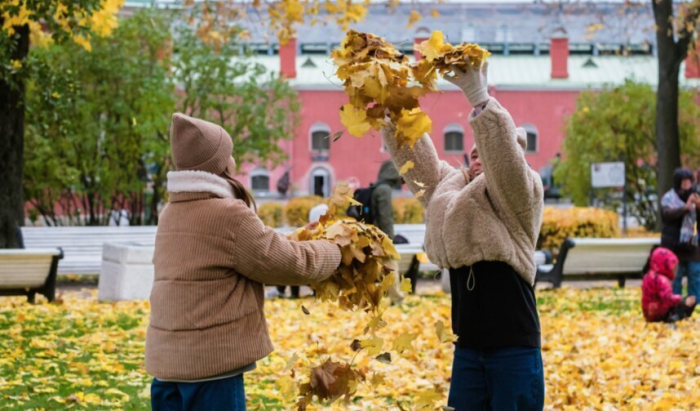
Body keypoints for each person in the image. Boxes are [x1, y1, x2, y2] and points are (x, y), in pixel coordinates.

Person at [146, 113, 342, 411]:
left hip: (168, 364)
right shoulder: (227, 214)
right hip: (210, 367)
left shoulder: (171, 212)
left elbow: (253, 250)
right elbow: (291, 264)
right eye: (229, 153)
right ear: (220, 163)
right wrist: (335, 249)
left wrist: (301, 237)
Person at [382, 59, 545, 409]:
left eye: (484, 153)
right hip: (468, 349)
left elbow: (504, 159)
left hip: (513, 347)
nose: (477, 157)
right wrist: (395, 111)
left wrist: (478, 96)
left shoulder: (522, 193)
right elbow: (421, 165)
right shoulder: (450, 191)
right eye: (472, 153)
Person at [275, 203, 329, 299]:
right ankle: (313, 293)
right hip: (316, 272)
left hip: (306, 272)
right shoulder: (328, 234)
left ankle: (287, 293)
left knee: (293, 264)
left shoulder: (306, 234)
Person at [661, 168, 700, 298]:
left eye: (689, 181)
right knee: (675, 278)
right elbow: (667, 216)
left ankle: (695, 305)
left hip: (692, 245)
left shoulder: (696, 196)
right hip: (673, 244)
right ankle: (674, 305)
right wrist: (685, 207)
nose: (687, 184)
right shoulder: (668, 197)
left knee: (694, 275)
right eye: (683, 181)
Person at [371, 160, 405, 303]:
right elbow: (386, 217)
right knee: (391, 266)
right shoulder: (384, 190)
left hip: (374, 235)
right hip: (382, 238)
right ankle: (397, 299)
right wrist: (389, 239)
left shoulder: (377, 187)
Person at [642, 247, 696, 322]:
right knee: (691, 301)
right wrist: (682, 300)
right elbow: (668, 298)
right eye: (674, 268)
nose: (675, 271)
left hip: (649, 313)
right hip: (660, 313)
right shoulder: (662, 280)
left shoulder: (648, 276)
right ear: (666, 265)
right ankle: (675, 317)